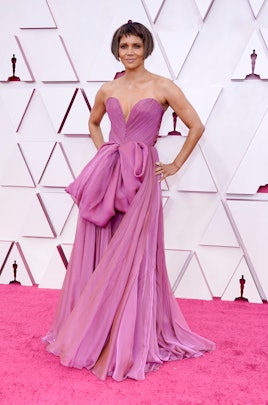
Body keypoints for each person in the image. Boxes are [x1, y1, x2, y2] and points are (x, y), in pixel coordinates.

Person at [42, 20, 215, 381]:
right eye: (124, 47)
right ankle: (98, 330)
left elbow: (196, 125)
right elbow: (94, 123)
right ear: (116, 50)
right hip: (110, 175)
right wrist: (106, 154)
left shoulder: (164, 86)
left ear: (146, 48)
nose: (130, 52)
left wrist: (176, 164)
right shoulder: (108, 88)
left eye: (136, 46)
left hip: (142, 178)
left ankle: (128, 333)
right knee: (103, 248)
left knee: (134, 251)